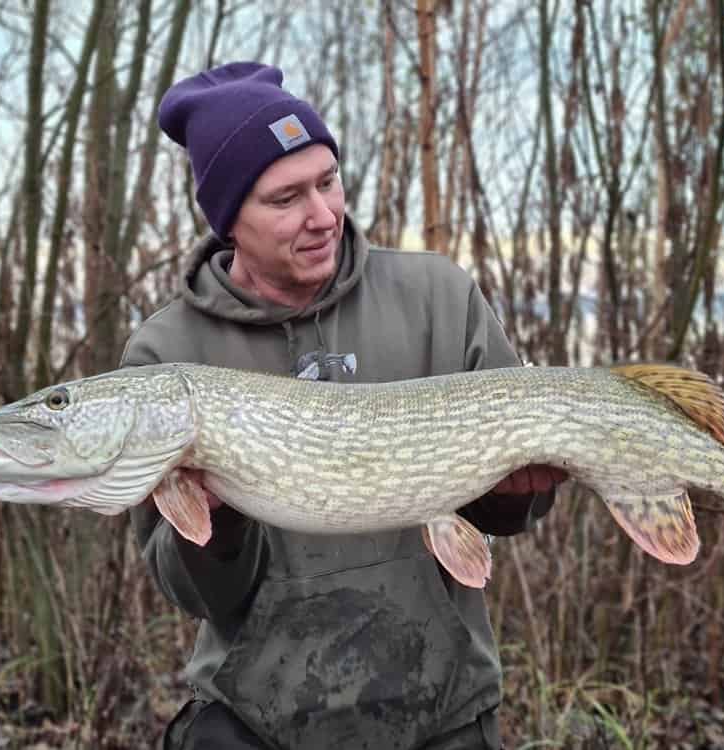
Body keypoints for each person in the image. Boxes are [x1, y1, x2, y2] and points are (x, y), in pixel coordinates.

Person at [121, 62, 566, 750]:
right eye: (286, 198)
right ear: (227, 217)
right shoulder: (167, 354)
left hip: (444, 708)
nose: (323, 215)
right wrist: (216, 527)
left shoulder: (439, 298)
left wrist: (511, 498)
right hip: (254, 718)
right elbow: (192, 594)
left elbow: (515, 512)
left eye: (329, 182)